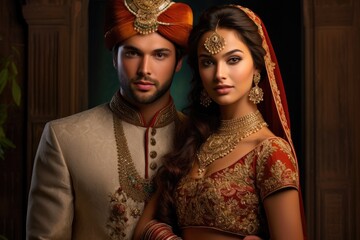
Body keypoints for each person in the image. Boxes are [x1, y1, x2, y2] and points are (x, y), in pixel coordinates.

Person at [133, 4, 307, 240]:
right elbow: (143, 226)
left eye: (233, 59)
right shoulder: (193, 140)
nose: (219, 74)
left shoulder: (270, 152)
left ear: (257, 65)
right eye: (207, 62)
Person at [25, 0, 193, 239]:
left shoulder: (200, 138)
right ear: (115, 58)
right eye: (133, 53)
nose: (144, 68)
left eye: (159, 55)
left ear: (178, 62)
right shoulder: (63, 138)